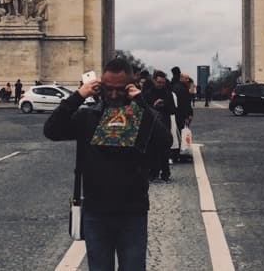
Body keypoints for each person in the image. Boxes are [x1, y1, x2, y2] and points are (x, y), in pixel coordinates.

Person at [44, 58, 171, 271]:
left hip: (133, 212)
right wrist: (78, 95)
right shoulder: (87, 117)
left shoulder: (141, 116)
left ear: (132, 86)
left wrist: (141, 103)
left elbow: (164, 142)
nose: (113, 95)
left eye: (120, 90)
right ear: (100, 87)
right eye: (108, 89)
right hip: (96, 212)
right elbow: (52, 130)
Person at [142, 71, 176, 181]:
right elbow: (143, 109)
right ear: (154, 81)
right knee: (152, 149)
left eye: (162, 82)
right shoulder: (148, 93)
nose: (161, 84)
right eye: (159, 82)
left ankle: (165, 173)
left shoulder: (168, 93)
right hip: (152, 124)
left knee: (165, 149)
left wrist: (164, 105)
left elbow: (173, 110)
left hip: (165, 123)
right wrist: (154, 105)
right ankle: (153, 172)